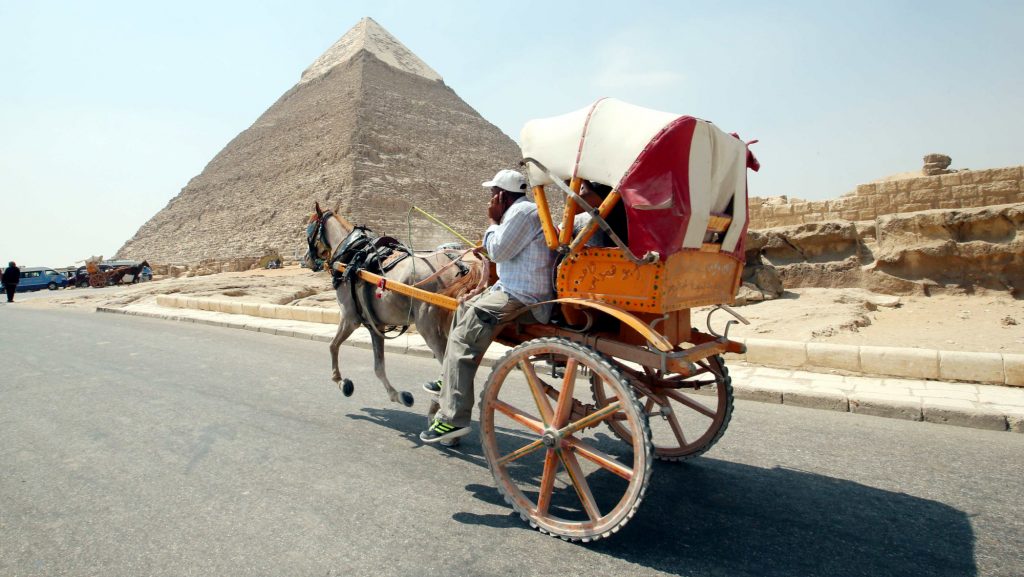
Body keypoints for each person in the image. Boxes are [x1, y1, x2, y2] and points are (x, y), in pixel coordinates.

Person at [419, 169, 557, 444]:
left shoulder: (520, 213)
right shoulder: (519, 212)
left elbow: (498, 251)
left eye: (493, 194)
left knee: (462, 339)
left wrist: (493, 221)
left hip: (522, 296)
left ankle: (452, 419)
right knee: (463, 306)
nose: (490, 200)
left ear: (502, 196)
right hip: (513, 288)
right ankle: (449, 378)